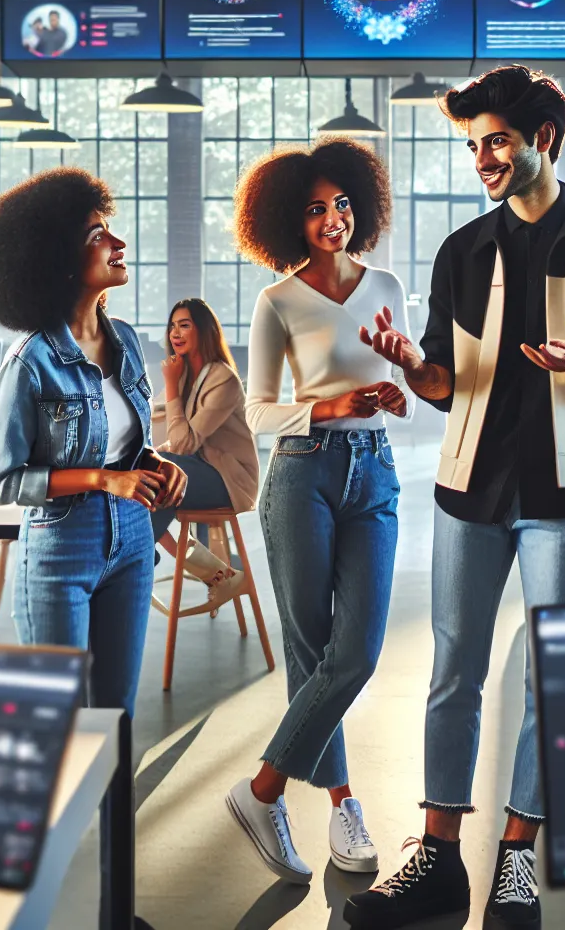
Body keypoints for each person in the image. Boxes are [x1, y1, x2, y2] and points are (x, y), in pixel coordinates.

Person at [353, 65, 565, 929]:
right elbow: (450, 383)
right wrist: (415, 369)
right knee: (455, 673)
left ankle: (517, 857)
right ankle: (441, 854)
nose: (482, 158)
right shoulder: (464, 249)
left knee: (548, 675)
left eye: (496, 142)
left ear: (543, 142)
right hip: (470, 490)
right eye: (472, 145)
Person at [226, 138, 409, 886]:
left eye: (340, 205)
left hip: (376, 474)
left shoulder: (387, 282)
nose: (332, 219)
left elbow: (410, 359)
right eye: (314, 210)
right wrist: (326, 405)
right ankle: (341, 804)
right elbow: (256, 410)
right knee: (312, 653)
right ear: (289, 224)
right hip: (301, 475)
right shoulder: (278, 301)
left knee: (356, 653)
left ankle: (260, 789)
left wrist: (402, 384)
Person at [0, 168, 187, 715]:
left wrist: (155, 462)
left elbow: (120, 444)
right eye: (99, 237)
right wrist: (103, 480)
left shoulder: (127, 342)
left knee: (115, 711)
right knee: (60, 716)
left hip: (134, 540)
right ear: (59, 261)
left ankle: (117, 807)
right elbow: (1, 482)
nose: (118, 244)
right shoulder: (31, 360)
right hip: (60, 547)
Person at [151, 297, 258, 606]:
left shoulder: (222, 378)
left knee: (158, 477)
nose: (175, 333)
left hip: (228, 479)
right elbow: (167, 435)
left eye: (185, 325)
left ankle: (141, 555)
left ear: (205, 331)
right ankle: (217, 575)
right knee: (148, 478)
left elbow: (183, 443)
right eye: (172, 326)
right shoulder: (184, 373)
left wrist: (170, 387)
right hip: (196, 470)